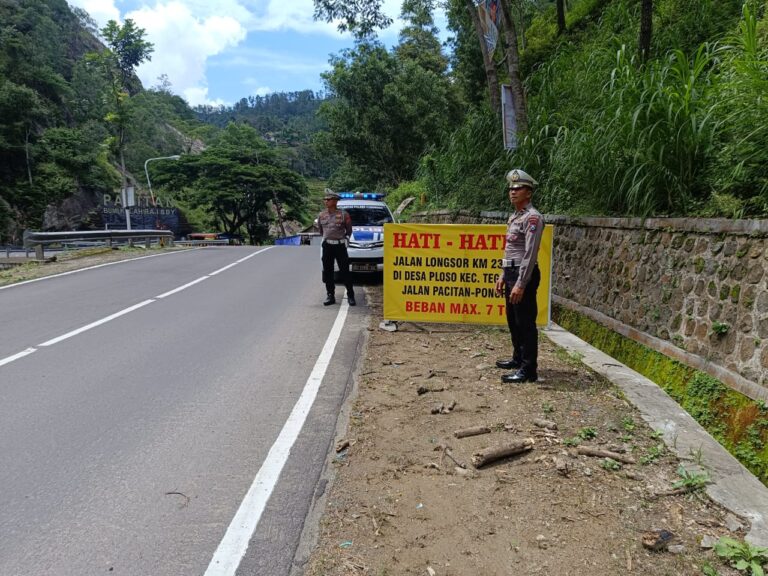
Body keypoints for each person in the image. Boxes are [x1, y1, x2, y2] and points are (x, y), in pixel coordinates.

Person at [494, 169, 543, 383]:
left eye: (518, 188)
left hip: (524, 275)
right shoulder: (514, 217)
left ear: (529, 192)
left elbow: (529, 254)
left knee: (525, 322)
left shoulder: (533, 218)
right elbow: (510, 250)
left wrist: (521, 283)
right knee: (513, 321)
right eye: (511, 189)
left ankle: (528, 369)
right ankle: (518, 358)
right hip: (511, 272)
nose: (513, 192)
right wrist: (503, 274)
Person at [317, 189, 356, 306]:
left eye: (328, 200)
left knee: (345, 271)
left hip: (340, 246)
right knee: (328, 272)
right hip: (327, 246)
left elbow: (349, 230)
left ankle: (350, 295)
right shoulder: (321, 215)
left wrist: (345, 239)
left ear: (335, 201)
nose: (326, 202)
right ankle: (330, 295)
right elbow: (320, 230)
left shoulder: (344, 215)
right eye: (325, 200)